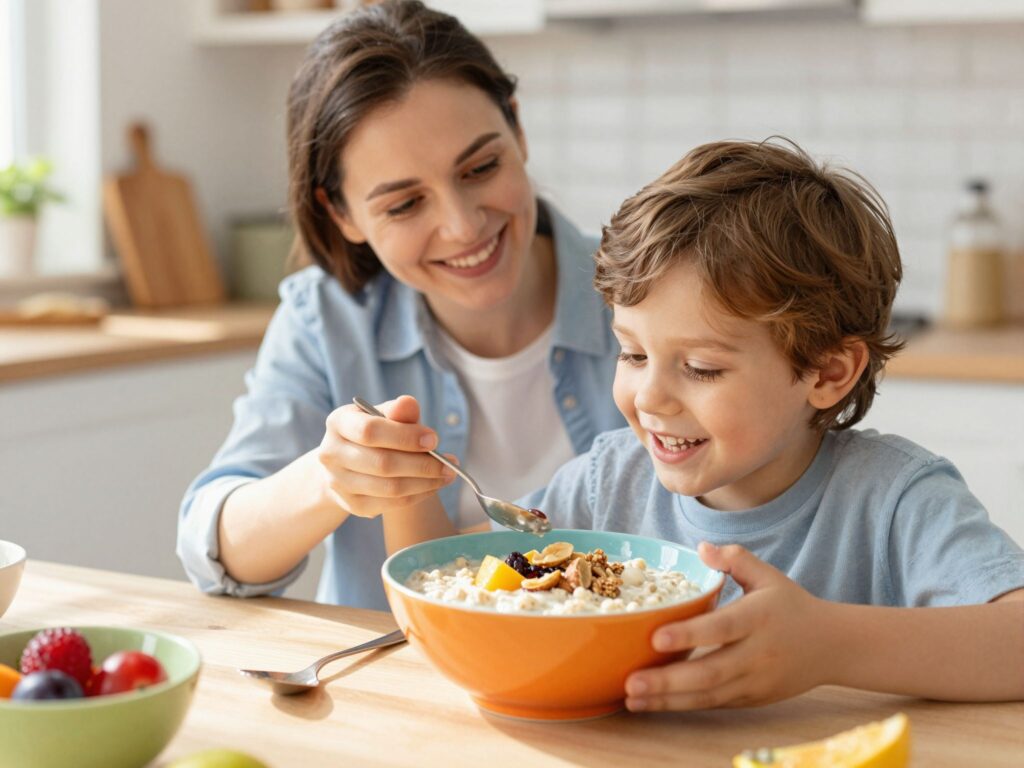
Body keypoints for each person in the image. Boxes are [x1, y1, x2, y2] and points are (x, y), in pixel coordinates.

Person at [519, 138, 1024, 710]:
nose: (650, 397)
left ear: (828, 372)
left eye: (701, 368)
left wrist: (830, 645)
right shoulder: (603, 484)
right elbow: (463, 585)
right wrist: (409, 493)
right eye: (632, 355)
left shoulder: (893, 501)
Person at [176, 0, 624, 610]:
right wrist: (328, 477)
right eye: (404, 204)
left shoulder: (646, 292)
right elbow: (217, 548)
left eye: (482, 166)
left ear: (517, 129)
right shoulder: (326, 320)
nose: (463, 226)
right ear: (342, 213)